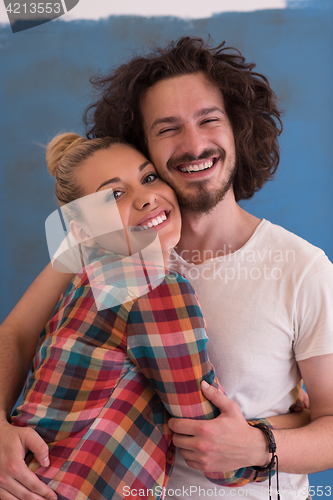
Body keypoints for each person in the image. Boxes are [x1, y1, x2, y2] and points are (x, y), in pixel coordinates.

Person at [0, 36, 332, 500]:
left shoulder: (304, 268)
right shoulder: (107, 246)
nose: (194, 144)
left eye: (208, 120)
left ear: (239, 129)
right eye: (168, 128)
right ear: (144, 148)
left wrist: (263, 444)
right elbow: (14, 334)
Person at [9, 132, 286, 500]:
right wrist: (294, 419)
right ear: (82, 232)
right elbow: (216, 452)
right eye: (114, 195)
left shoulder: (82, 282)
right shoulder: (153, 288)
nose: (146, 198)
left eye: (149, 177)